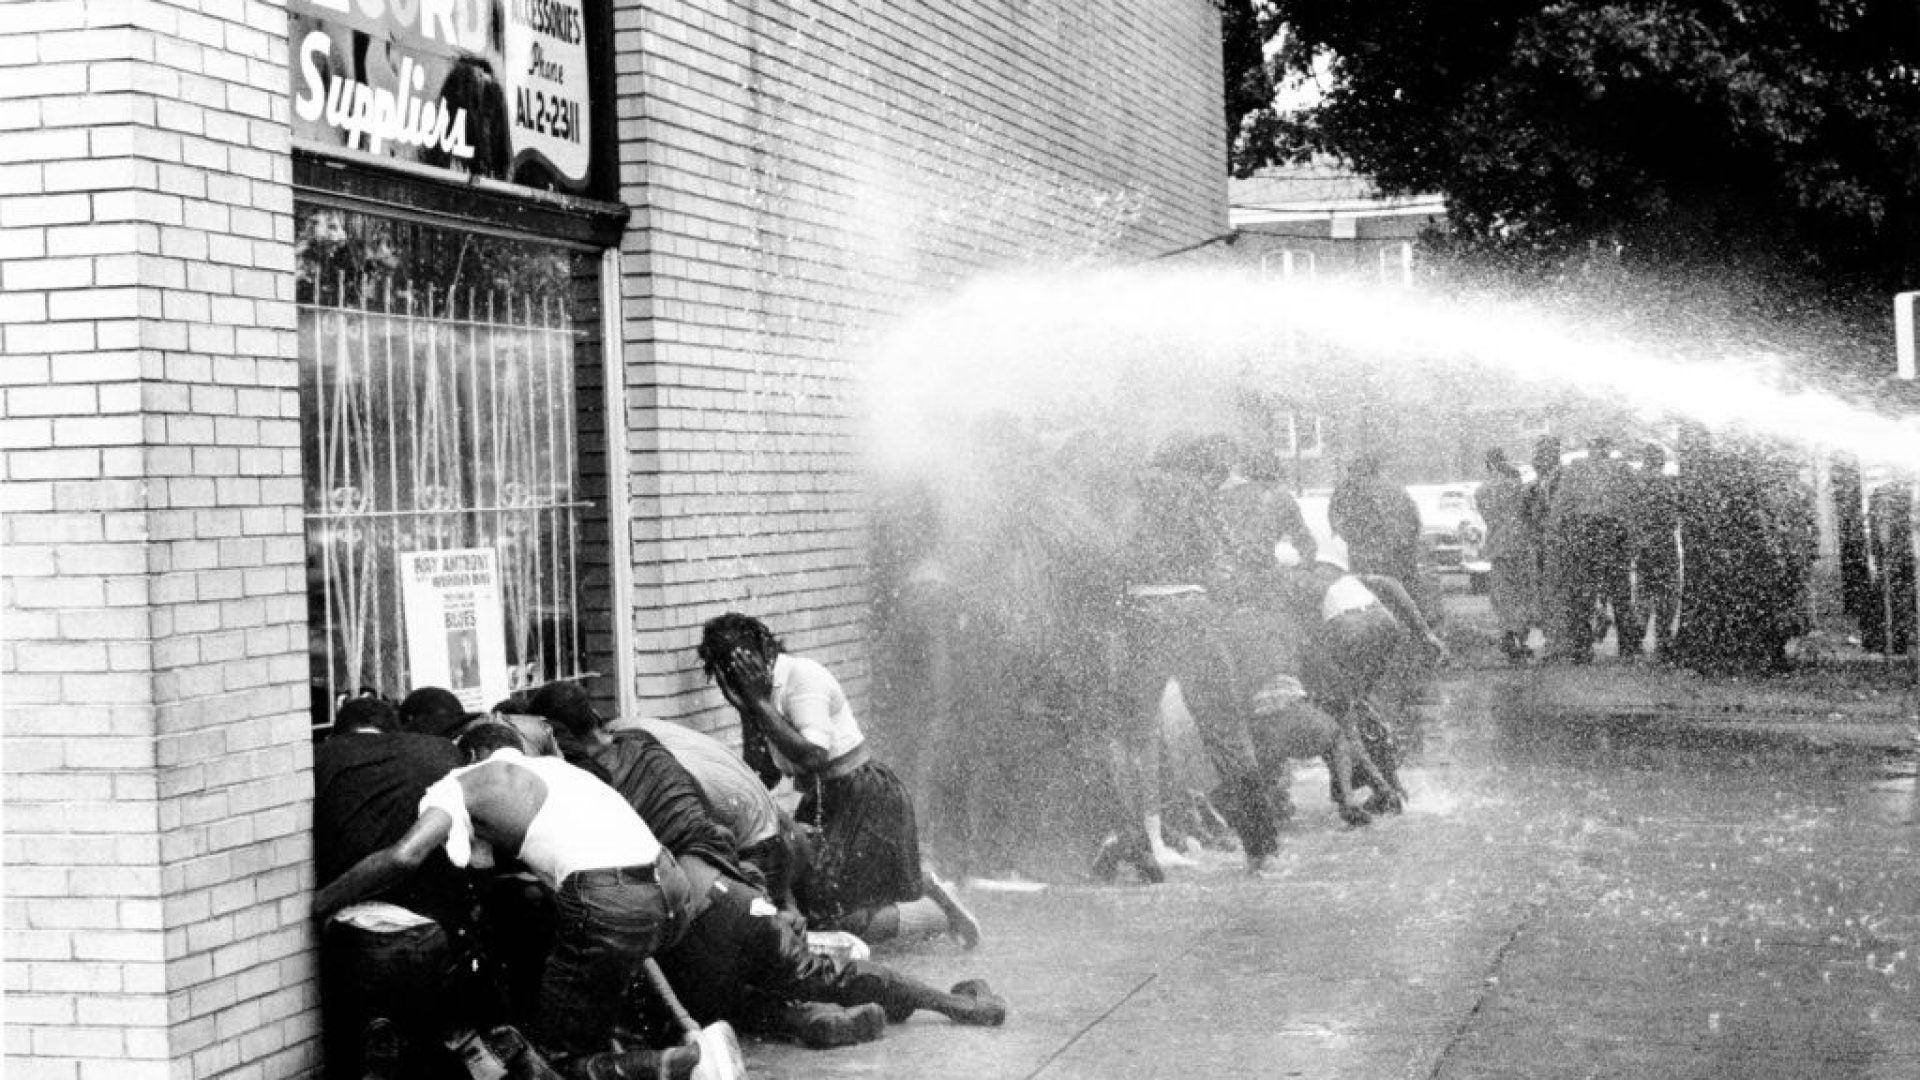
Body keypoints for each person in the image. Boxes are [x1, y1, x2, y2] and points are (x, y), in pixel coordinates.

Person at [313, 720, 701, 1080]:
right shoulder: (558, 770)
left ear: (471, 755)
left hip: (609, 898)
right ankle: (666, 1044)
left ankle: (663, 1065)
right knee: (589, 1006)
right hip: (670, 891)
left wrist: (325, 900)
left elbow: (404, 856)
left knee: (552, 1059)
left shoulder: (461, 780)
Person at [697, 613, 981, 948]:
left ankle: (934, 911)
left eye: (740, 667)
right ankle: (918, 884)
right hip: (823, 797)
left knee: (837, 915)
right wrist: (750, 712)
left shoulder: (802, 677)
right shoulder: (759, 700)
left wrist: (759, 705)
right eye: (726, 676)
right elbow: (767, 775)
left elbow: (814, 755)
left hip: (865, 795)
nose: (735, 681)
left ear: (762, 651)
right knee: (802, 898)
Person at [1110, 436, 1281, 876]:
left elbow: (1117, 552)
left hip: (1145, 611)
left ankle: (1137, 843)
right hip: (1195, 610)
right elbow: (1227, 560)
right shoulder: (1197, 495)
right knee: (1227, 733)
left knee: (1131, 735)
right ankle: (1262, 850)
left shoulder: (1134, 489)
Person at [312, 694, 482, 1080]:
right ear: (396, 729)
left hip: (353, 932)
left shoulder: (318, 759)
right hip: (432, 929)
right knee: (429, 1052)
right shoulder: (440, 753)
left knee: (356, 1056)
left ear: (340, 733)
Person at [1276, 550, 1447, 817]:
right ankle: (1387, 779)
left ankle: (1368, 791)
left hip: (1348, 631)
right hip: (1384, 624)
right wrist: (1424, 633)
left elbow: (1300, 642)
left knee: (1340, 713)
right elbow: (1391, 584)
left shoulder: (1291, 585)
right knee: (1359, 706)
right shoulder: (1338, 575)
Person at [1478, 447, 1535, 663]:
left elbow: (1488, 516)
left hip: (1499, 547)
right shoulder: (1518, 487)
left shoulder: (1483, 490)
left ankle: (1509, 633)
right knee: (1523, 594)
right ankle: (1520, 635)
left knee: (1504, 596)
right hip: (1521, 545)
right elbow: (1528, 512)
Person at [1626, 442, 1681, 660]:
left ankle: (1638, 634)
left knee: (1644, 591)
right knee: (1666, 593)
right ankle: (1663, 639)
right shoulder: (1666, 485)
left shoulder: (1637, 484)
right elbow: (1673, 515)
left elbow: (1632, 514)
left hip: (1645, 544)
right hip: (1664, 542)